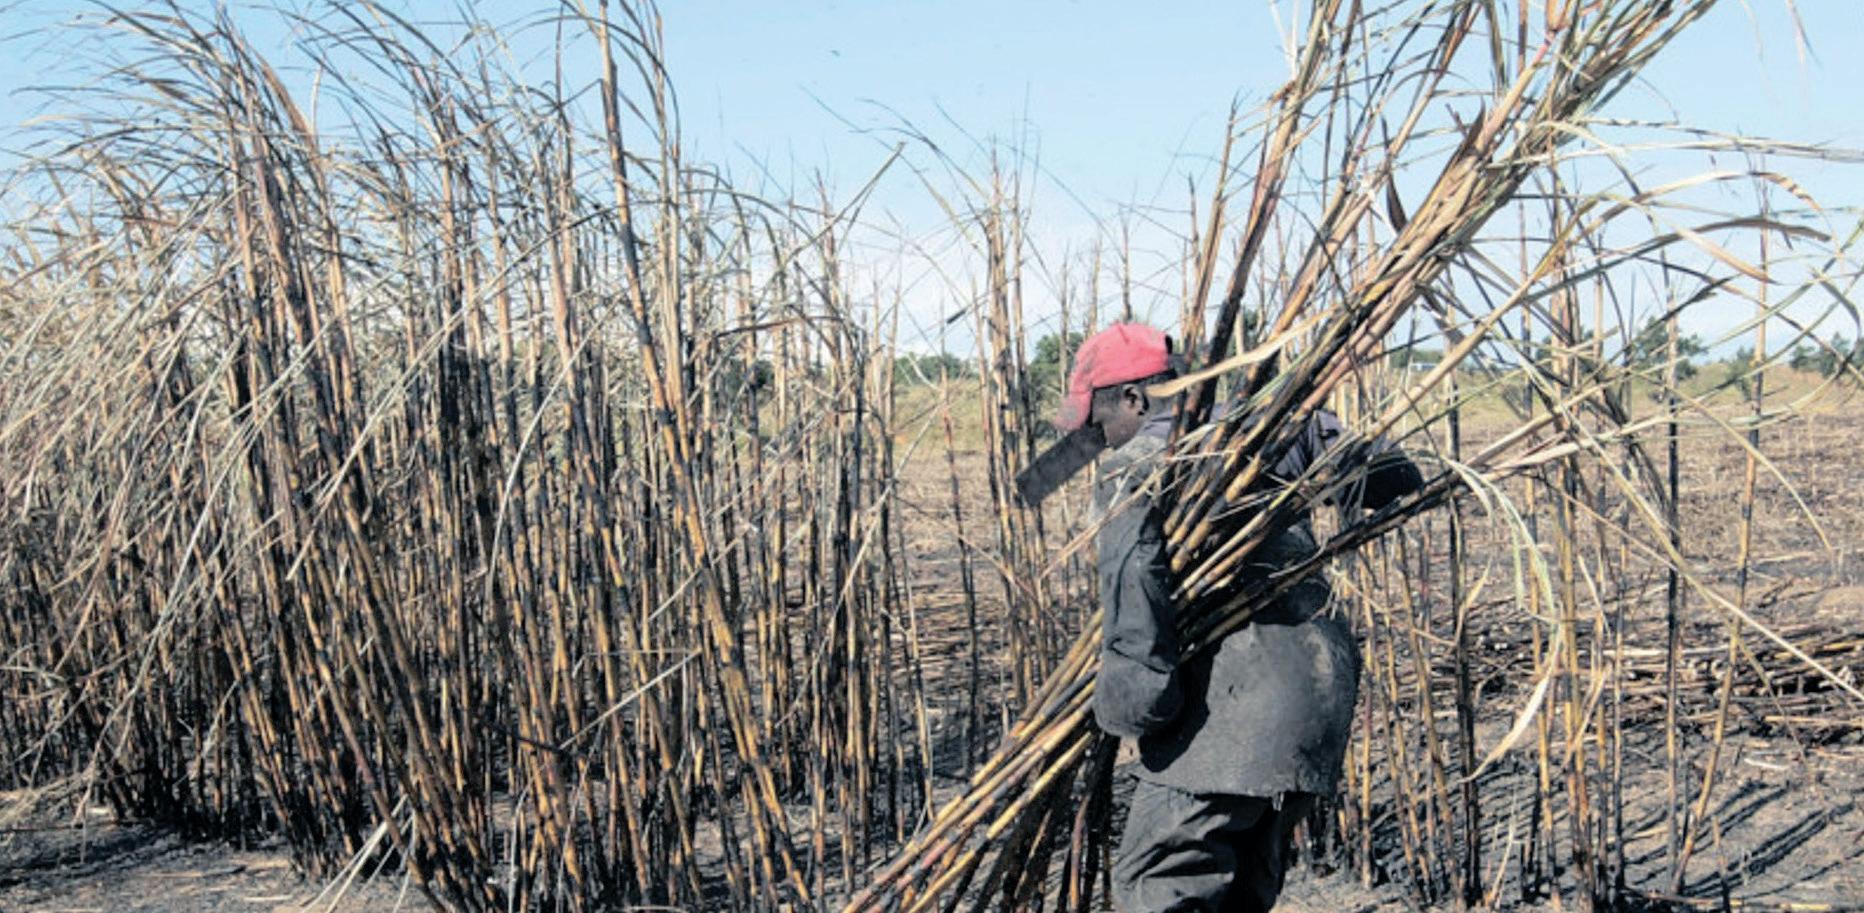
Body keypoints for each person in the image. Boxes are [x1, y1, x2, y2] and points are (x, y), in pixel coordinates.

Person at [1046, 322, 1422, 913]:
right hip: (1316, 697)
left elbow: (1135, 593)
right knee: (1244, 892)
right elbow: (1397, 476)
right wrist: (1292, 436)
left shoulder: (1137, 465)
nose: (1097, 441)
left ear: (1135, 400)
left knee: (1163, 883)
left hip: (1232, 715)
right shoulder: (1259, 434)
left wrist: (1134, 706)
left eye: (1098, 424)